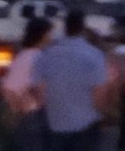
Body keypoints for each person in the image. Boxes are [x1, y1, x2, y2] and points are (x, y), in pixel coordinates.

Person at [32, 9, 109, 151]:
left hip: (54, 122)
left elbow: (39, 91)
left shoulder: (46, 55)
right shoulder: (94, 55)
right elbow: (99, 92)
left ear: (65, 28)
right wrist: (101, 113)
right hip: (85, 123)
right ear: (82, 29)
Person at [1, 17, 52, 151]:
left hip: (17, 113)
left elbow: (7, 86)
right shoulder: (38, 57)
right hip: (32, 114)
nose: (51, 37)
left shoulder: (22, 55)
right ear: (42, 35)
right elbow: (40, 88)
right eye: (49, 33)